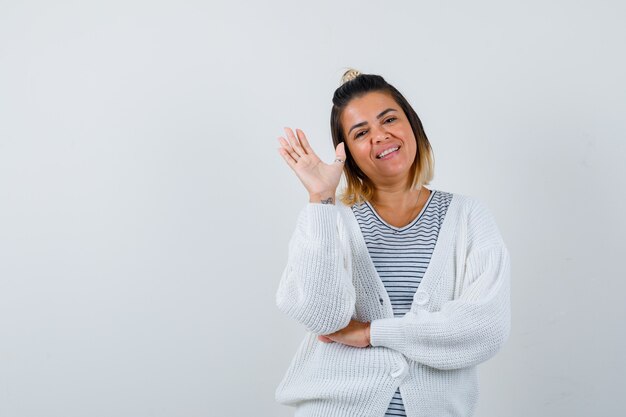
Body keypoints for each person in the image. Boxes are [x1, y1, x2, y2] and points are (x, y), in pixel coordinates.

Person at [274, 69, 511, 417]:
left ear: (412, 125)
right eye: (361, 132)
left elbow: (484, 328)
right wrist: (322, 199)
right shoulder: (329, 219)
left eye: (389, 119)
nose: (380, 136)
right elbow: (322, 317)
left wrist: (372, 332)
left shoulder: (468, 216)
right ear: (349, 153)